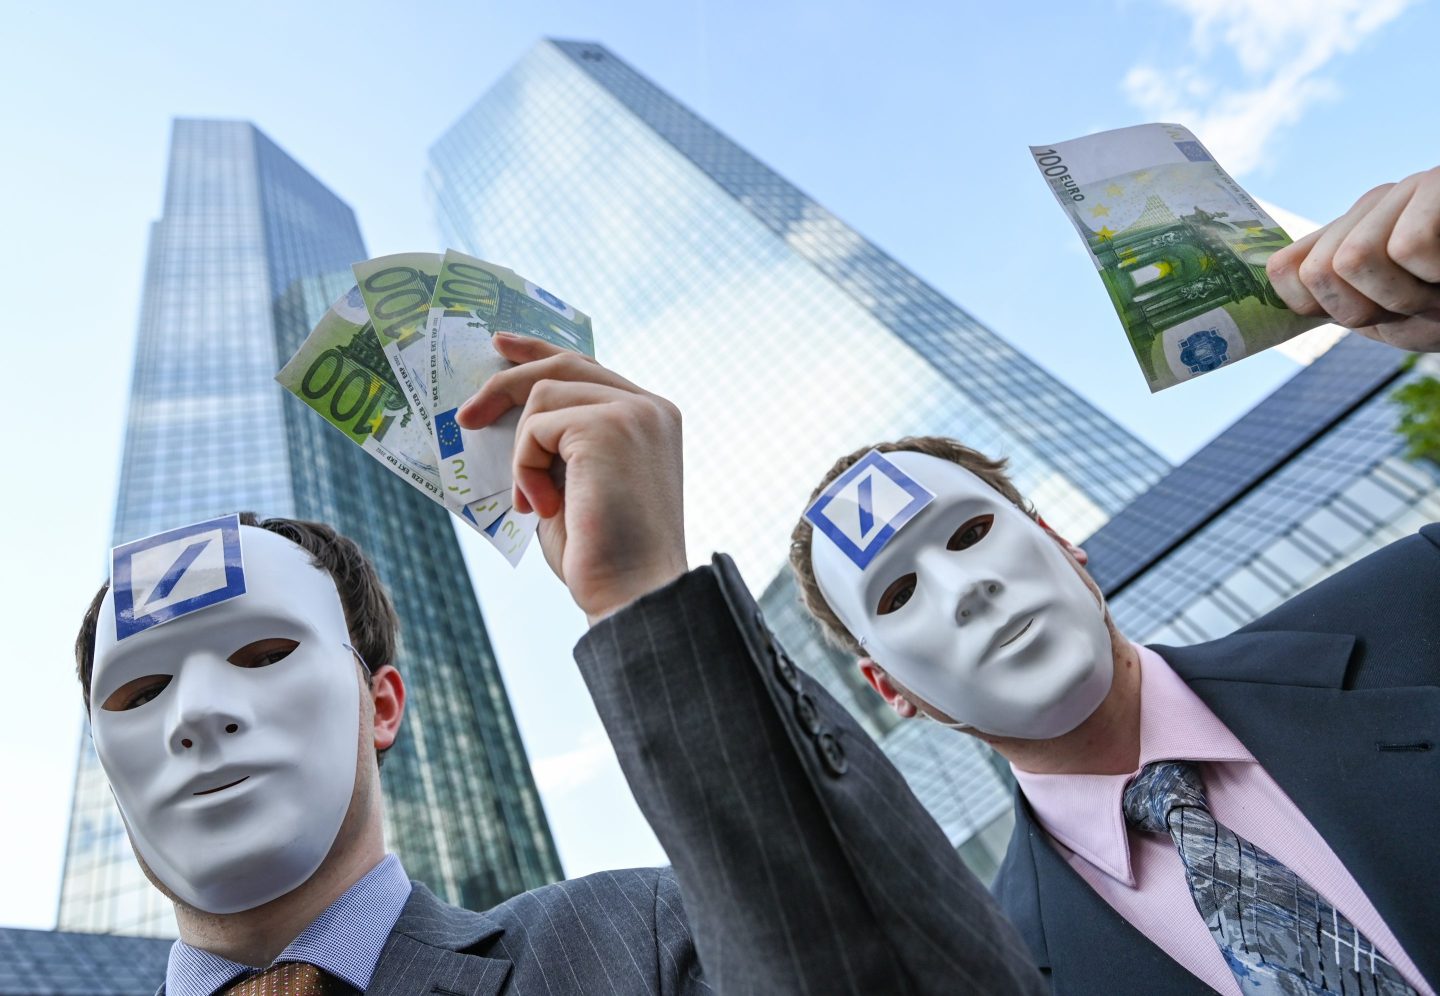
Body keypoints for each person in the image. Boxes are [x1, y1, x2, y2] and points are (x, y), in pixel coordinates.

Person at [78, 331, 1045, 995]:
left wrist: (644, 595)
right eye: (139, 690)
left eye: (262, 653)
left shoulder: (638, 945)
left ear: (381, 704)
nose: (196, 714)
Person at [788, 166, 1440, 995]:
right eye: (896, 594)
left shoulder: (1423, 602)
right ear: (890, 689)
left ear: (1061, 542)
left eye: (973, 531)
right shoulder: (1000, 977)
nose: (964, 589)